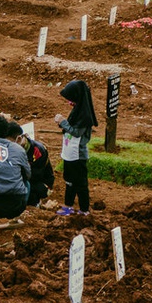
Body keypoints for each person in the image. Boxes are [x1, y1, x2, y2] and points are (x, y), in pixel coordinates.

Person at [54, 79, 98, 215]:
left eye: (71, 99)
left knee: (81, 183)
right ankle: (68, 205)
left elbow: (76, 132)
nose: (69, 102)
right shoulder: (76, 110)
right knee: (69, 180)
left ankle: (84, 209)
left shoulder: (85, 116)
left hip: (78, 155)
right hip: (69, 152)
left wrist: (63, 123)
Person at [6, 121, 55, 207]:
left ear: (19, 139)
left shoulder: (38, 151)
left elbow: (35, 175)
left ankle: (35, 204)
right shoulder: (11, 149)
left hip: (40, 182)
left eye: (9, 142)